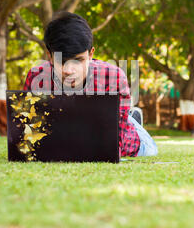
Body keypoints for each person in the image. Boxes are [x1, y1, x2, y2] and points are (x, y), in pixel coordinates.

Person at [22, 11, 157, 157]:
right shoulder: (37, 76)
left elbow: (113, 144)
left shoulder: (113, 77)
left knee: (149, 152)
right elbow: (29, 135)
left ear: (91, 54)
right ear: (49, 56)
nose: (69, 70)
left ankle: (130, 118)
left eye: (78, 60)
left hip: (128, 137)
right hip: (74, 130)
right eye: (61, 61)